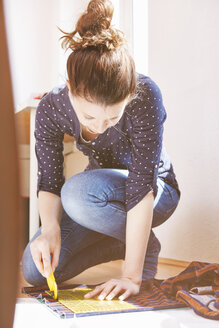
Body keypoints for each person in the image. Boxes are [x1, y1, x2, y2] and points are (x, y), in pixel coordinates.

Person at [22, 0, 180, 301]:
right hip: (97, 197)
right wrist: (50, 229)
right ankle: (125, 242)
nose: (102, 126)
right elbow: (49, 181)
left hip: (154, 191)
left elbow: (140, 185)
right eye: (90, 117)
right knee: (34, 269)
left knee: (78, 193)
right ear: (70, 88)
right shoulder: (51, 107)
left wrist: (132, 276)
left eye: (113, 117)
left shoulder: (146, 95)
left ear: (130, 93)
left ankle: (142, 247)